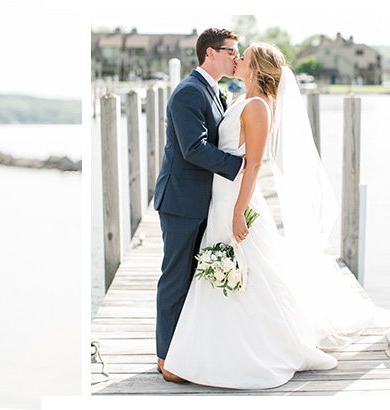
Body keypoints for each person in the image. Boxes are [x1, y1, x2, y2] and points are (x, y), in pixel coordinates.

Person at [163, 42, 390, 389]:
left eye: (245, 57)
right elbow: (211, 136)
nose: (238, 60)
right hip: (220, 199)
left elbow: (253, 165)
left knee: (250, 272)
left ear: (255, 69)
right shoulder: (238, 99)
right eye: (235, 54)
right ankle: (208, 347)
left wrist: (239, 212)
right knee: (234, 272)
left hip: (235, 201)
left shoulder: (258, 107)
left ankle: (245, 348)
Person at [151, 28, 246, 382]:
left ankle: (185, 352)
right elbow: (193, 149)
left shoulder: (215, 90)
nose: (236, 58)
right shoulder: (189, 92)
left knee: (194, 279)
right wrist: (239, 166)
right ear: (210, 53)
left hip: (203, 200)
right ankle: (165, 359)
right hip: (181, 200)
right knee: (176, 279)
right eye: (231, 51)